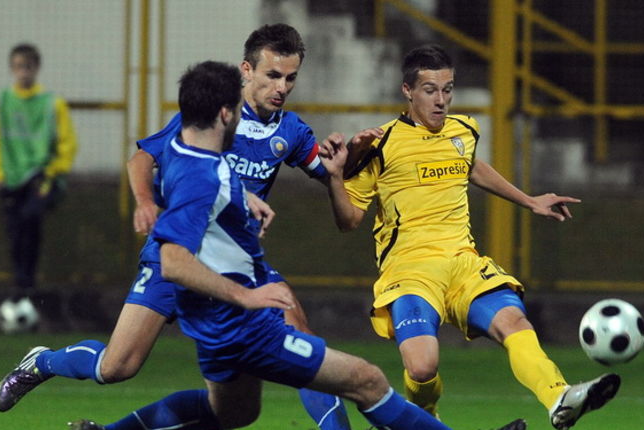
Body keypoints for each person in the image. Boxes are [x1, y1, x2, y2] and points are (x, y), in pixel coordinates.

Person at [82, 61, 523, 430]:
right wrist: (248, 295)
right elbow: (174, 261)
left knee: (234, 412)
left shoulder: (199, 159)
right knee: (365, 380)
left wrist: (325, 168)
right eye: (238, 106)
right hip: (243, 324)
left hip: (222, 324)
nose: (249, 110)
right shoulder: (202, 175)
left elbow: (222, 191)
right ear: (225, 113)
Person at [0, 24, 380, 430]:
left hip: (235, 266)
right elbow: (142, 158)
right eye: (272, 75)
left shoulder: (291, 131)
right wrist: (145, 202)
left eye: (290, 78)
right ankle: (43, 361)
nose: (282, 87)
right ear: (246, 70)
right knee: (117, 366)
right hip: (176, 255)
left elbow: (331, 174)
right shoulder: (212, 115)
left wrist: (352, 155)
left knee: (287, 351)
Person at [319, 44, 620, 430]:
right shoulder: (379, 145)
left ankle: (559, 396)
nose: (441, 100)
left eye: (448, 89)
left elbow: (471, 167)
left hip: (462, 261)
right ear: (407, 91)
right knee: (423, 367)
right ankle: (424, 423)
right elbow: (349, 221)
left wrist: (529, 201)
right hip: (409, 270)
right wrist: (334, 176)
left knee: (515, 322)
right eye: (430, 90)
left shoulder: (464, 129)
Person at [0, 43, 77, 317]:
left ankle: (26, 285)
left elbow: (68, 143)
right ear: (12, 69)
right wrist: (0, 174)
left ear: (36, 68)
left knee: (30, 221)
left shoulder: (52, 103)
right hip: (11, 179)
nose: (22, 72)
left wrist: (52, 171)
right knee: (15, 233)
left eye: (27, 66)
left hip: (42, 177)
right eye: (17, 67)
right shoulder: (1, 101)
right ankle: (21, 284)